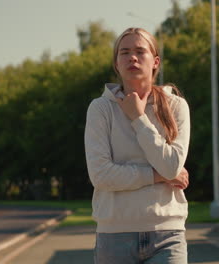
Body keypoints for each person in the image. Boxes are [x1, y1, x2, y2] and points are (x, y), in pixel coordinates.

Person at [84, 27, 191, 264]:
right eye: (125, 52)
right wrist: (159, 176)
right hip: (114, 238)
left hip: (168, 235)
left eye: (140, 51)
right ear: (116, 64)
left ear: (155, 62)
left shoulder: (176, 106)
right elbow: (101, 175)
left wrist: (139, 119)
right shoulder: (101, 109)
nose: (132, 57)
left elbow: (172, 166)